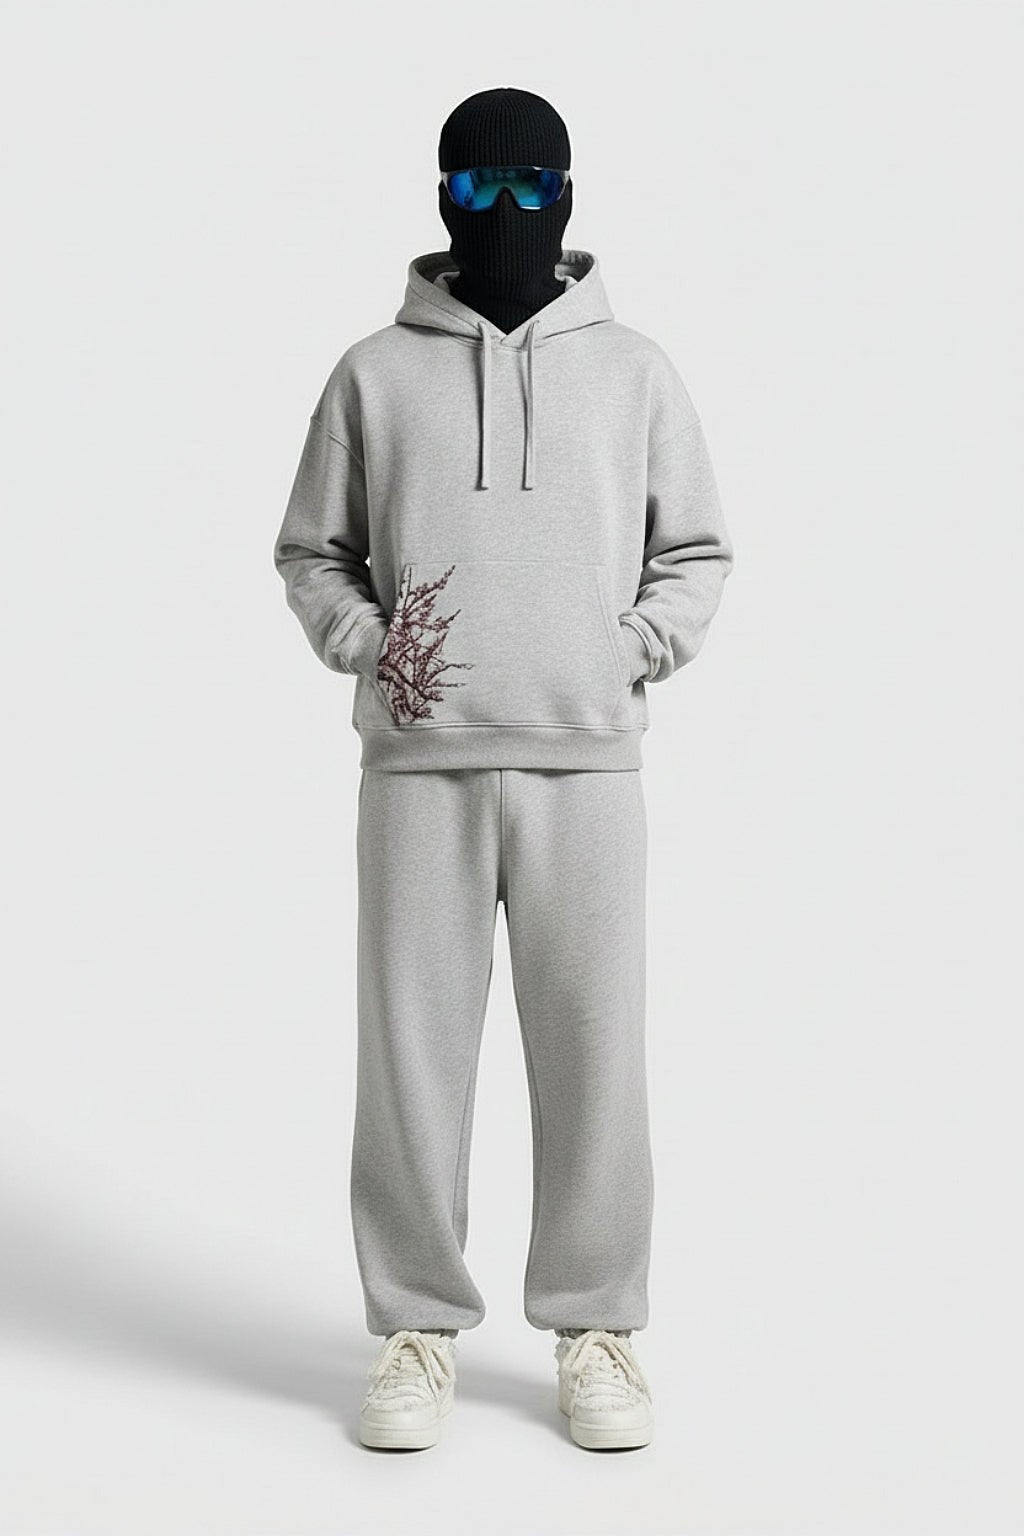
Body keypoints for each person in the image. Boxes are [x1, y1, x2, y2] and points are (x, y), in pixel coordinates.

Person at [274, 86, 733, 1452]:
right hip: (419, 767)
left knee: (596, 1050)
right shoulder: (373, 374)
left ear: (570, 194)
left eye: (531, 185)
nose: (506, 211)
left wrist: (629, 648)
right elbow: (312, 551)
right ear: (442, 198)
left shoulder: (636, 372)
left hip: (588, 764)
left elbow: (695, 551)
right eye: (477, 188)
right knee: (411, 1058)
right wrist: (373, 647)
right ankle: (417, 1327)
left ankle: (597, 1327)